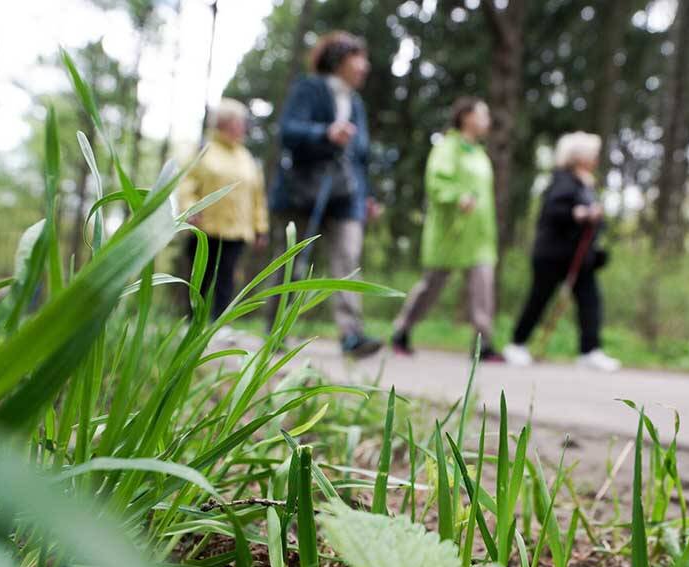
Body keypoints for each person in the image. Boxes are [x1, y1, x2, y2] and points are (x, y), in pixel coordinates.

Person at [265, 31, 382, 358]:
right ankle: (277, 327)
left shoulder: (356, 103)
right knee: (290, 261)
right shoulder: (309, 88)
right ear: (338, 60)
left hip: (345, 193)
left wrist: (368, 194)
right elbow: (287, 131)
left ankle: (351, 334)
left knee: (347, 258)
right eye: (358, 58)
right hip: (304, 191)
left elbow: (360, 156)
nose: (365, 66)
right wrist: (325, 133)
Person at [391, 97, 503, 362]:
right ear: (466, 117)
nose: (488, 121)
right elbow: (436, 182)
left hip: (479, 235)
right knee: (432, 286)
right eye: (483, 114)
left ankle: (483, 343)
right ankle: (402, 330)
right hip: (450, 231)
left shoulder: (480, 153)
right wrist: (457, 196)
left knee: (483, 287)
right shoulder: (447, 147)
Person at [503, 132, 621, 372]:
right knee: (539, 298)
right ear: (578, 156)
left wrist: (595, 218)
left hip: (580, 257)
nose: (596, 158)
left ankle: (590, 350)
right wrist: (578, 214)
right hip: (552, 254)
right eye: (592, 154)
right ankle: (516, 344)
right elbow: (553, 212)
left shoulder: (586, 182)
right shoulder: (562, 180)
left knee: (590, 301)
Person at [178, 98, 269, 322]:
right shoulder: (204, 151)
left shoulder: (246, 158)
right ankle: (192, 322)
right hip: (205, 228)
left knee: (227, 278)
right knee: (200, 277)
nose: (243, 127)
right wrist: (189, 210)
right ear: (224, 123)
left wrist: (260, 229)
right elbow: (187, 186)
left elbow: (257, 196)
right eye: (239, 122)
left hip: (237, 231)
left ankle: (220, 323)